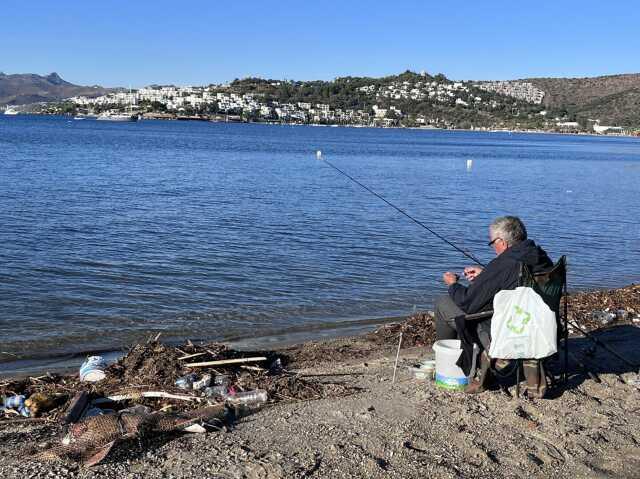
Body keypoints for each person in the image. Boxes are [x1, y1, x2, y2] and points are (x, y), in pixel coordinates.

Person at [434, 216, 553, 393]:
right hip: (540, 324)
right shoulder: (539, 256)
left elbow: (468, 302)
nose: (493, 248)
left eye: (492, 243)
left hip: (507, 327)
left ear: (502, 242)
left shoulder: (505, 263)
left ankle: (449, 359)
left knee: (443, 303)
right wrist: (485, 274)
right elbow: (514, 281)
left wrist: (452, 284)